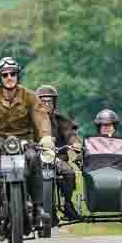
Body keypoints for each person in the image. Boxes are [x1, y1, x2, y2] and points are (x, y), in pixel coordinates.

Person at [0, 56, 54, 233]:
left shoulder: (29, 96)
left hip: (24, 141)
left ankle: (38, 208)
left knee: (34, 159)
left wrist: (45, 136)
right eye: (5, 74)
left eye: (12, 73)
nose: (9, 77)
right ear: (0, 77)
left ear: (17, 75)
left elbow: (41, 116)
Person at [36, 84, 81, 220]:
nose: (47, 104)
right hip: (36, 159)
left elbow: (69, 133)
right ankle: (28, 207)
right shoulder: (30, 120)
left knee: (69, 172)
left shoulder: (61, 120)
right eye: (43, 101)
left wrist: (75, 143)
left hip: (57, 158)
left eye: (50, 101)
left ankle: (67, 204)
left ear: (54, 102)